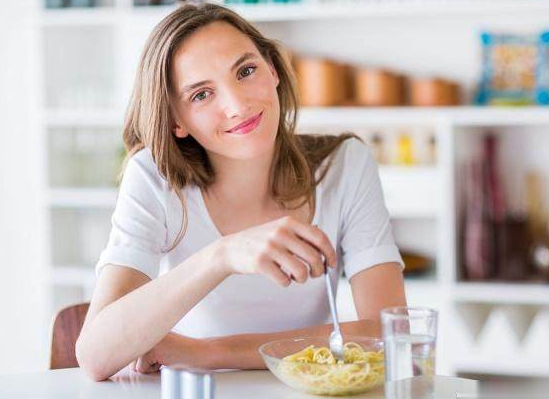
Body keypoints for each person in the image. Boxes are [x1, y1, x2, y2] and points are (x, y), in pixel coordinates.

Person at [75, 2, 406, 382]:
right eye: (201, 94)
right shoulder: (155, 177)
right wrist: (222, 255)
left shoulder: (344, 164)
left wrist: (208, 352)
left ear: (274, 70)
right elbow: (95, 355)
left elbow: (389, 333)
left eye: (246, 71)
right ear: (176, 121)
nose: (238, 105)